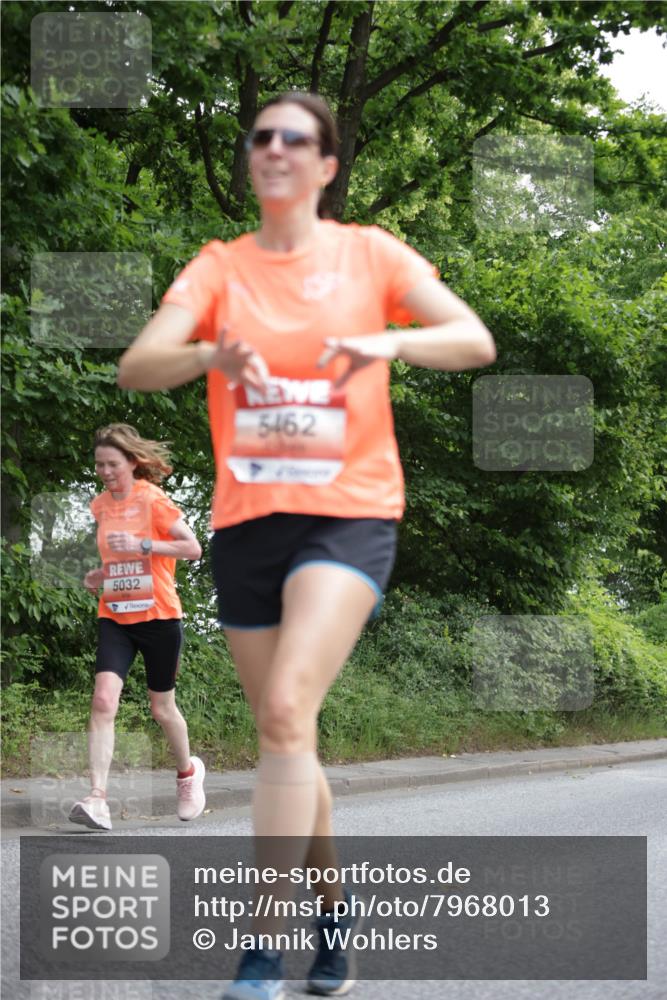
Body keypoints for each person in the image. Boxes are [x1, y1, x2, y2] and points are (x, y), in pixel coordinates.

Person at [117, 92, 496, 998]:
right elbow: (139, 365)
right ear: (252, 161)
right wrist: (211, 356)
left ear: (325, 166)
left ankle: (261, 950)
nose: (276, 148)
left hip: (350, 513)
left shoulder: (371, 254)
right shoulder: (218, 269)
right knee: (289, 734)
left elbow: (472, 339)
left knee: (286, 711)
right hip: (249, 524)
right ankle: (334, 921)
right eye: (262, 137)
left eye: (298, 138)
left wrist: (384, 344)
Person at [69, 423, 205, 831]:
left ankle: (187, 775)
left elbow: (192, 548)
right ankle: (97, 799)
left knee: (161, 708)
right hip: (115, 615)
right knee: (103, 700)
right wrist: (100, 574)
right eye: (99, 465)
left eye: (112, 463)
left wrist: (147, 545)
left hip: (160, 616)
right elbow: (118, 558)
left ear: (131, 461)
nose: (105, 471)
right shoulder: (99, 505)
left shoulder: (153, 500)